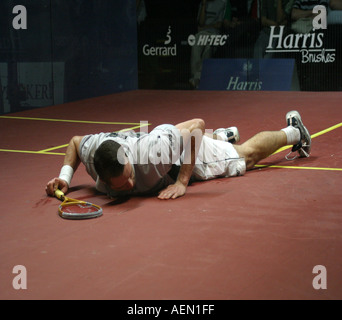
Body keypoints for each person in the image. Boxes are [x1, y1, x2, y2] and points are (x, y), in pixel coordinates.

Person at [46, 111, 311, 201]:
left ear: (128, 158)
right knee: (184, 135)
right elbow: (74, 142)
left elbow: (196, 124)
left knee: (246, 156)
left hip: (178, 156)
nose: (129, 186)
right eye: (121, 186)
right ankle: (222, 135)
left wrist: (183, 181)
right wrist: (65, 178)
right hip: (167, 138)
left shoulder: (153, 155)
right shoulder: (94, 154)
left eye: (129, 177)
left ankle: (294, 132)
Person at [189, 0, 227, 89]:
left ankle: (197, 78)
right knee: (195, 43)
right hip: (202, 33)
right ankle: (195, 78)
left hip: (214, 34)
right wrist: (203, 5)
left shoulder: (222, 3)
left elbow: (218, 25)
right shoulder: (203, 3)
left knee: (208, 48)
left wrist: (205, 27)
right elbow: (201, 23)